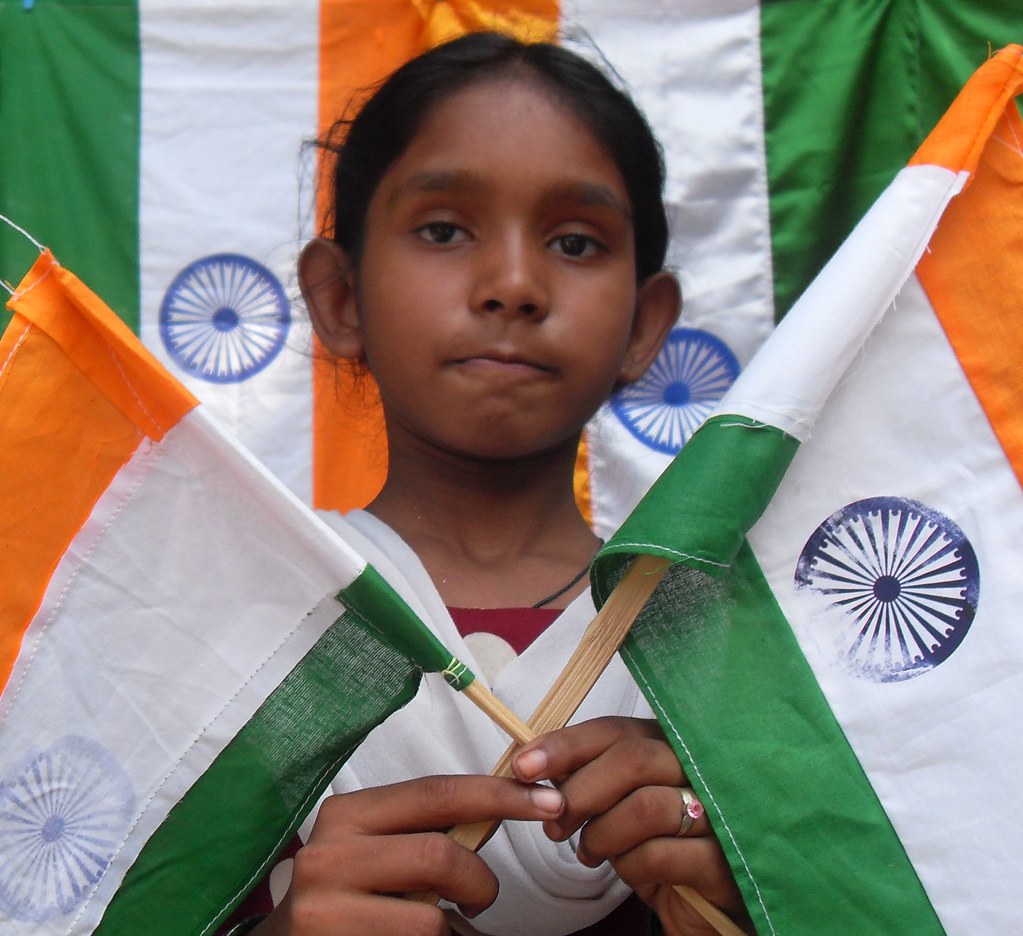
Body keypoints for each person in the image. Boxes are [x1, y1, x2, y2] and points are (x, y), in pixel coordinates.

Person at [243, 30, 751, 936]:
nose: (513, 284)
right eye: (443, 230)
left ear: (646, 325)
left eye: (574, 241)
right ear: (340, 299)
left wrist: (760, 883)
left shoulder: (740, 653)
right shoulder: (238, 630)